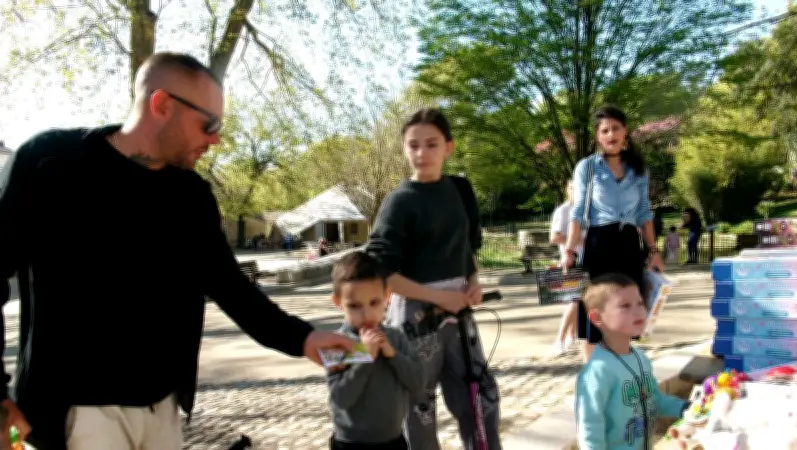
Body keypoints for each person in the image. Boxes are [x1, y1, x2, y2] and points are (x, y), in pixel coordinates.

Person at [0, 52, 353, 450]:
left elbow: (231, 287)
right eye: (209, 124)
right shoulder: (48, 163)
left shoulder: (192, 196)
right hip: (77, 413)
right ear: (162, 104)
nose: (216, 139)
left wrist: (303, 338)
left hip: (163, 411)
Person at [366, 108, 501, 450]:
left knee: (480, 396)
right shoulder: (399, 202)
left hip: (460, 312)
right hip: (415, 317)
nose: (422, 153)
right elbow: (381, 273)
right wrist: (439, 297)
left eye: (431, 144)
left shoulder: (461, 189)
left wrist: (474, 281)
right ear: (403, 149)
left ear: (448, 147)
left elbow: (470, 245)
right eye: (413, 145)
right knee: (419, 408)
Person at [562, 105, 664, 363]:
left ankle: (620, 369)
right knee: (594, 310)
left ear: (625, 131)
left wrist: (653, 251)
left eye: (615, 128)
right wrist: (570, 250)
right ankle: (592, 372)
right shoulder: (587, 167)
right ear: (598, 136)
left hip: (629, 244)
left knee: (626, 310)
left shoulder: (638, 169)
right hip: (599, 244)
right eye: (605, 130)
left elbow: (644, 212)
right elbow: (578, 212)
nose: (611, 135)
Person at [575, 274, 688, 449]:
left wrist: (685, 408)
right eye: (625, 306)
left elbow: (655, 400)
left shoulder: (641, 358)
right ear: (597, 318)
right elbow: (590, 428)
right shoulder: (597, 372)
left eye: (640, 303)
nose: (638, 311)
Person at [325, 252, 425, 450]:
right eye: (354, 306)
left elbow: (417, 384)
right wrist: (364, 356)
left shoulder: (396, 338)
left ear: (387, 297)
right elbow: (341, 399)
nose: (366, 314)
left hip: (392, 440)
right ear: (338, 302)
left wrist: (393, 355)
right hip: (350, 443)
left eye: (374, 302)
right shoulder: (336, 344)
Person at [549, 179, 582, 356]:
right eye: (573, 188)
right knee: (574, 301)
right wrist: (576, 240)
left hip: (586, 259)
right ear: (567, 189)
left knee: (579, 301)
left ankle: (572, 336)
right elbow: (554, 237)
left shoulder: (585, 209)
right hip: (572, 259)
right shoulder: (564, 211)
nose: (577, 191)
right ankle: (560, 339)